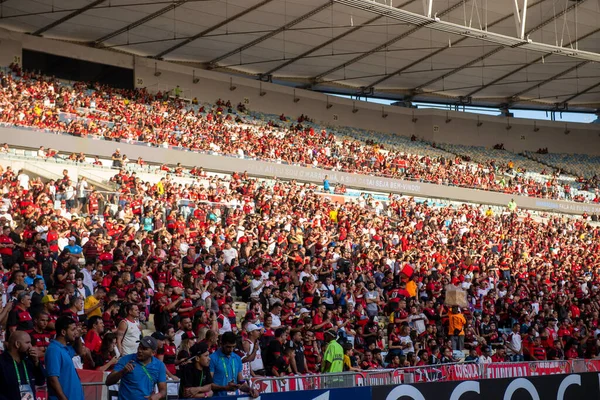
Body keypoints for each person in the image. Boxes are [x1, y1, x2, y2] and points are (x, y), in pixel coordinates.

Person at [45, 316, 84, 400]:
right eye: (73, 330)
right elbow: (53, 379)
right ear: (63, 332)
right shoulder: (54, 349)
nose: (75, 332)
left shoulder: (65, 348)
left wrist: (78, 337)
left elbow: (80, 352)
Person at [209, 332, 258, 397]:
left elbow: (241, 382)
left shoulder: (237, 358)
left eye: (233, 346)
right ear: (221, 344)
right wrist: (225, 388)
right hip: (218, 398)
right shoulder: (212, 358)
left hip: (234, 397)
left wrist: (250, 389)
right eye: (228, 347)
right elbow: (209, 384)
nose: (231, 350)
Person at [0, 330, 45, 400]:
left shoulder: (29, 361)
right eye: (27, 343)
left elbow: (40, 381)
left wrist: (36, 362)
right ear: (17, 344)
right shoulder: (2, 362)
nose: (31, 346)